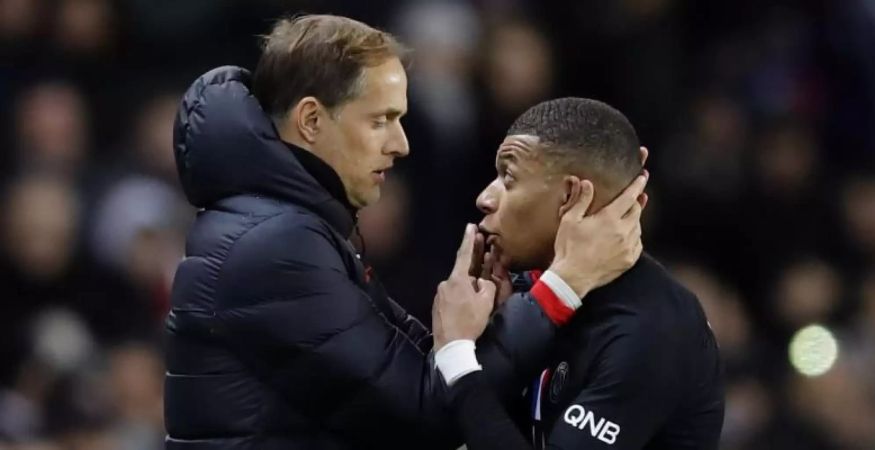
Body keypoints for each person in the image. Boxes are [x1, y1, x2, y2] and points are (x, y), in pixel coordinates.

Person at [164, 15, 648, 450]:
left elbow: (425, 381)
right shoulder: (274, 245)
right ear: (311, 120)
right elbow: (429, 415)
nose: (401, 145)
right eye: (382, 121)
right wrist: (561, 287)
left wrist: (482, 326)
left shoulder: (286, 228)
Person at [433, 98, 724, 449]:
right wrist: (493, 344)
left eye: (508, 178)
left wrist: (458, 359)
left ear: (570, 196)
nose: (485, 198)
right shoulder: (530, 296)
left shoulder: (651, 328)